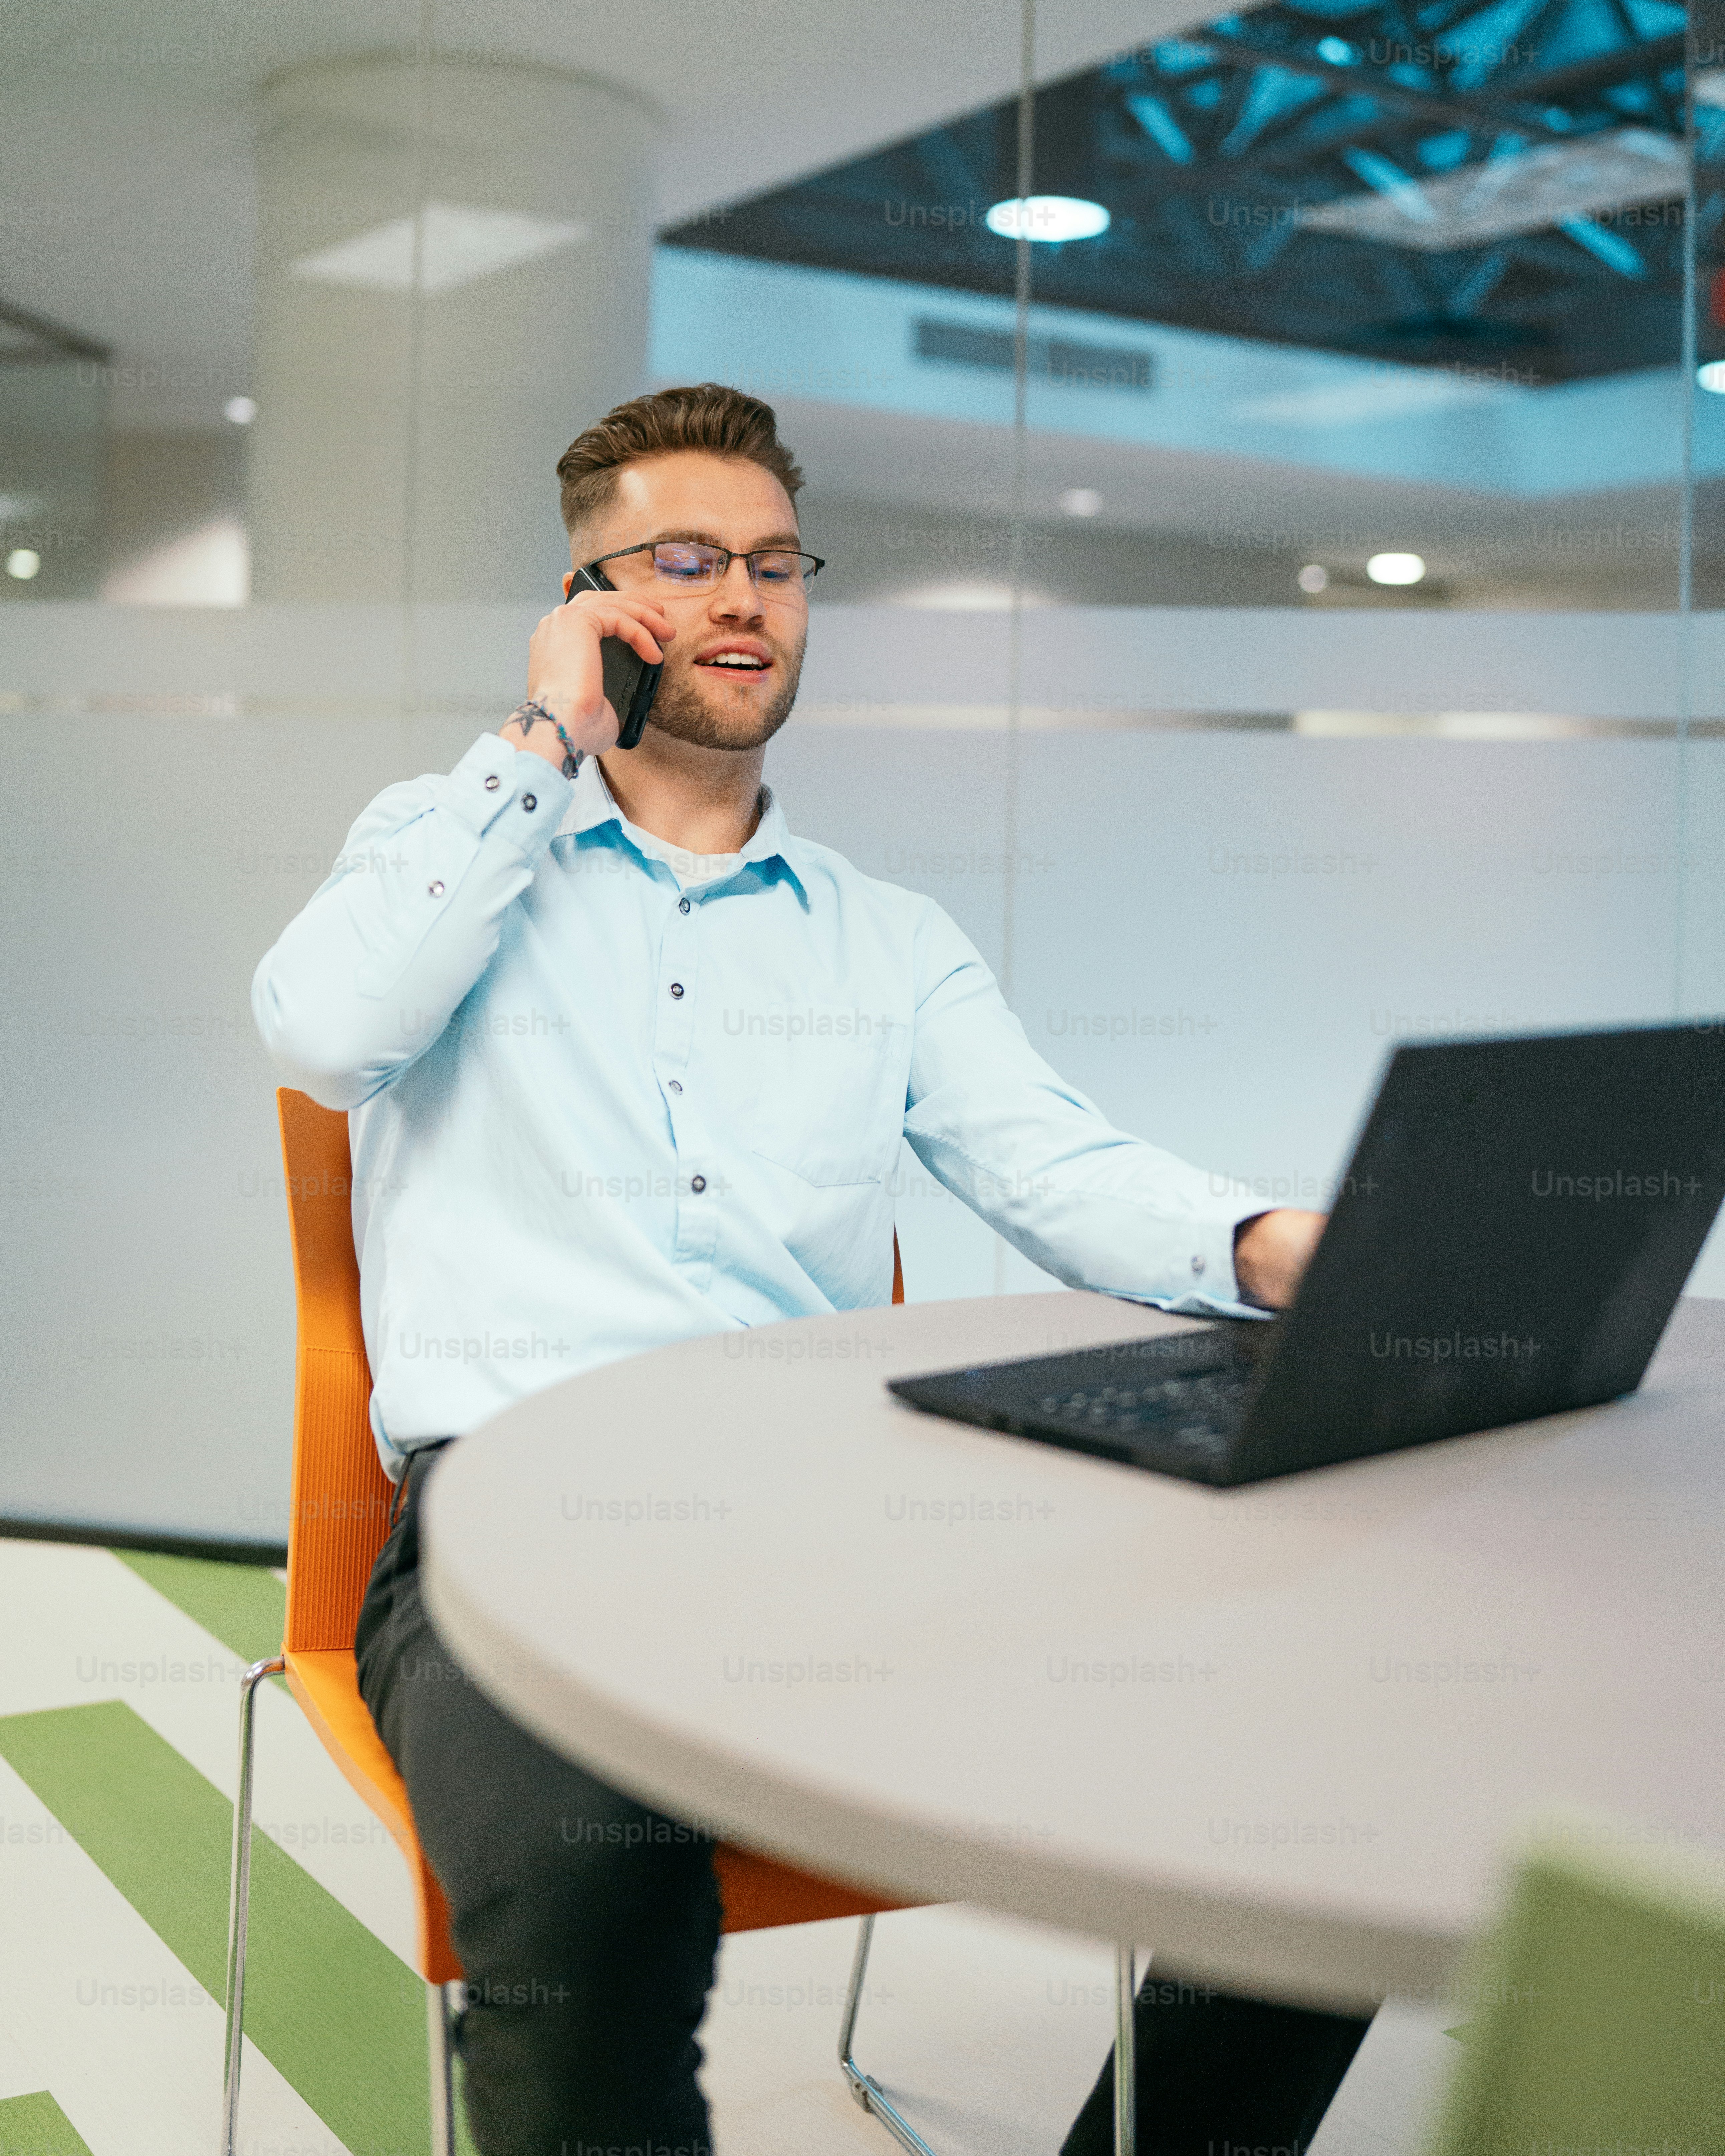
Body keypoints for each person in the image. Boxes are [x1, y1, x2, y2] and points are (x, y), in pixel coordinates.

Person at [253, 382, 1367, 2156]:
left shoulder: (887, 937)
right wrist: (539, 745)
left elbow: (1054, 1168)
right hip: (518, 1532)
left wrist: (1276, 1245)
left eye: (774, 562)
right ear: (587, 601)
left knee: (1321, 1804)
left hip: (838, 1521)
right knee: (588, 1911)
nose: (742, 599)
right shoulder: (452, 845)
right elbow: (324, 1032)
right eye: (682, 562)